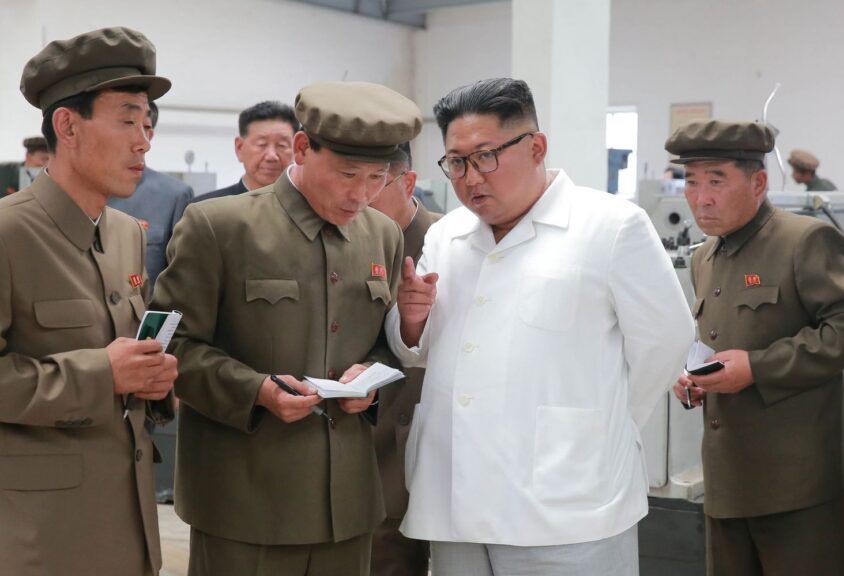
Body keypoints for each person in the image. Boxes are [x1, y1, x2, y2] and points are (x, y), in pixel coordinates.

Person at [387, 78, 692, 576]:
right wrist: (411, 320)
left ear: (536, 147)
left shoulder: (611, 226)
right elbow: (415, 348)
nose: (470, 178)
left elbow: (666, 341)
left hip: (567, 499)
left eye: (486, 157)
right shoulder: (447, 235)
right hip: (454, 491)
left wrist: (603, 424)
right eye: (456, 162)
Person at [151, 81, 421, 576]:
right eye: (347, 174)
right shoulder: (218, 226)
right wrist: (256, 390)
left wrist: (370, 380)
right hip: (245, 502)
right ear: (301, 148)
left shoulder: (382, 234)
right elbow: (173, 349)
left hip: (347, 507)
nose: (361, 194)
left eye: (377, 178)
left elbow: (382, 344)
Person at [0, 26, 177, 576]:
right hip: (42, 538)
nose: (143, 141)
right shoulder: (8, 234)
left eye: (147, 124)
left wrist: (152, 380)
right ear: (67, 126)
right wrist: (103, 374)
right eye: (127, 120)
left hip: (129, 523)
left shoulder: (125, 232)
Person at [667, 120, 844, 575]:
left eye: (716, 181)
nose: (701, 197)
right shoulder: (705, 257)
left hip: (798, 480)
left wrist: (758, 368)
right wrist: (694, 378)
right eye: (692, 181)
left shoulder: (804, 240)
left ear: (758, 182)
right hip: (727, 477)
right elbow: (719, 339)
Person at [369, 142, 440, 576]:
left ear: (407, 182)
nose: (359, 196)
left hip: (429, 445)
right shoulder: (345, 238)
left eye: (374, 182)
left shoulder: (450, 243)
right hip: (365, 447)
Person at [108, 101, 194, 291]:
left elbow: (181, 276)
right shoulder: (75, 192)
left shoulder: (173, 196)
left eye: (144, 127)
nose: (137, 137)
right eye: (127, 123)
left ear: (150, 135)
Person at [191, 100, 298, 203]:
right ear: (239, 147)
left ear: (297, 148)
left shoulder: (306, 208)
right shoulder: (206, 209)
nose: (271, 156)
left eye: (282, 145)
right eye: (261, 144)